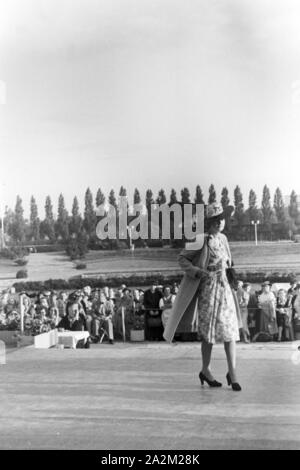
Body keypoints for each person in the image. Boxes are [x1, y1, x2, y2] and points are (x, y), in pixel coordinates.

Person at [164, 202, 242, 391]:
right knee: (208, 334)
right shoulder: (200, 239)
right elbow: (181, 258)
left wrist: (235, 280)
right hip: (208, 290)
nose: (222, 222)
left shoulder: (223, 239)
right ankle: (205, 370)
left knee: (230, 332)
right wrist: (197, 271)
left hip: (224, 289)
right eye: (219, 220)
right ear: (212, 222)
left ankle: (233, 373)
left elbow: (230, 263)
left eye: (222, 219)